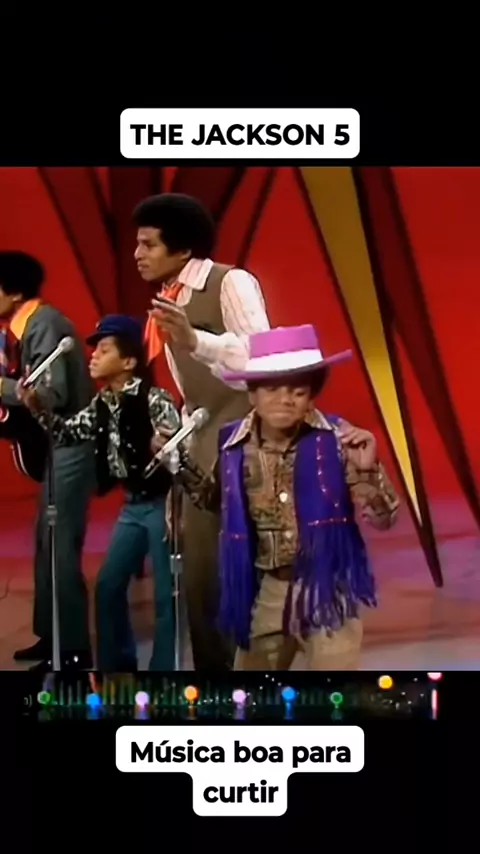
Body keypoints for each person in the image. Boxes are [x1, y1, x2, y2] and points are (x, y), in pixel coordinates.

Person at [176, 324, 400, 671]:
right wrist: (179, 465)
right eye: (272, 389)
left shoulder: (338, 439)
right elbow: (212, 500)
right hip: (270, 590)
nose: (285, 399)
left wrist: (369, 472)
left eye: (298, 391)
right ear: (252, 394)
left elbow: (385, 520)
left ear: (311, 396)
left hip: (329, 591)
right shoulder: (234, 445)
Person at [134, 192, 270, 671]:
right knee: (199, 578)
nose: (137, 254)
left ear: (184, 249)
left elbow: (263, 361)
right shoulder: (169, 300)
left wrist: (197, 340)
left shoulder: (229, 282)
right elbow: (192, 391)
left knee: (232, 573)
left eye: (149, 244)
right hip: (201, 442)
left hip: (244, 438)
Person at [18, 315, 181, 671]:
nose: (93, 356)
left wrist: (165, 446)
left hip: (162, 506)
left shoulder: (154, 399)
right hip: (131, 506)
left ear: (129, 361)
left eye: (104, 350)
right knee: (108, 587)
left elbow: (179, 451)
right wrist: (37, 407)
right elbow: (67, 433)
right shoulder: (102, 402)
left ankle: (163, 672)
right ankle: (116, 667)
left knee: (165, 596)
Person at [0, 251, 95, 671]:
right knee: (45, 541)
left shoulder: (45, 324)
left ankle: (72, 650)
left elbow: (51, 393)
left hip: (73, 444)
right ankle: (51, 637)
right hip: (58, 446)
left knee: (59, 546)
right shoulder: (24, 327)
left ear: (13, 292)